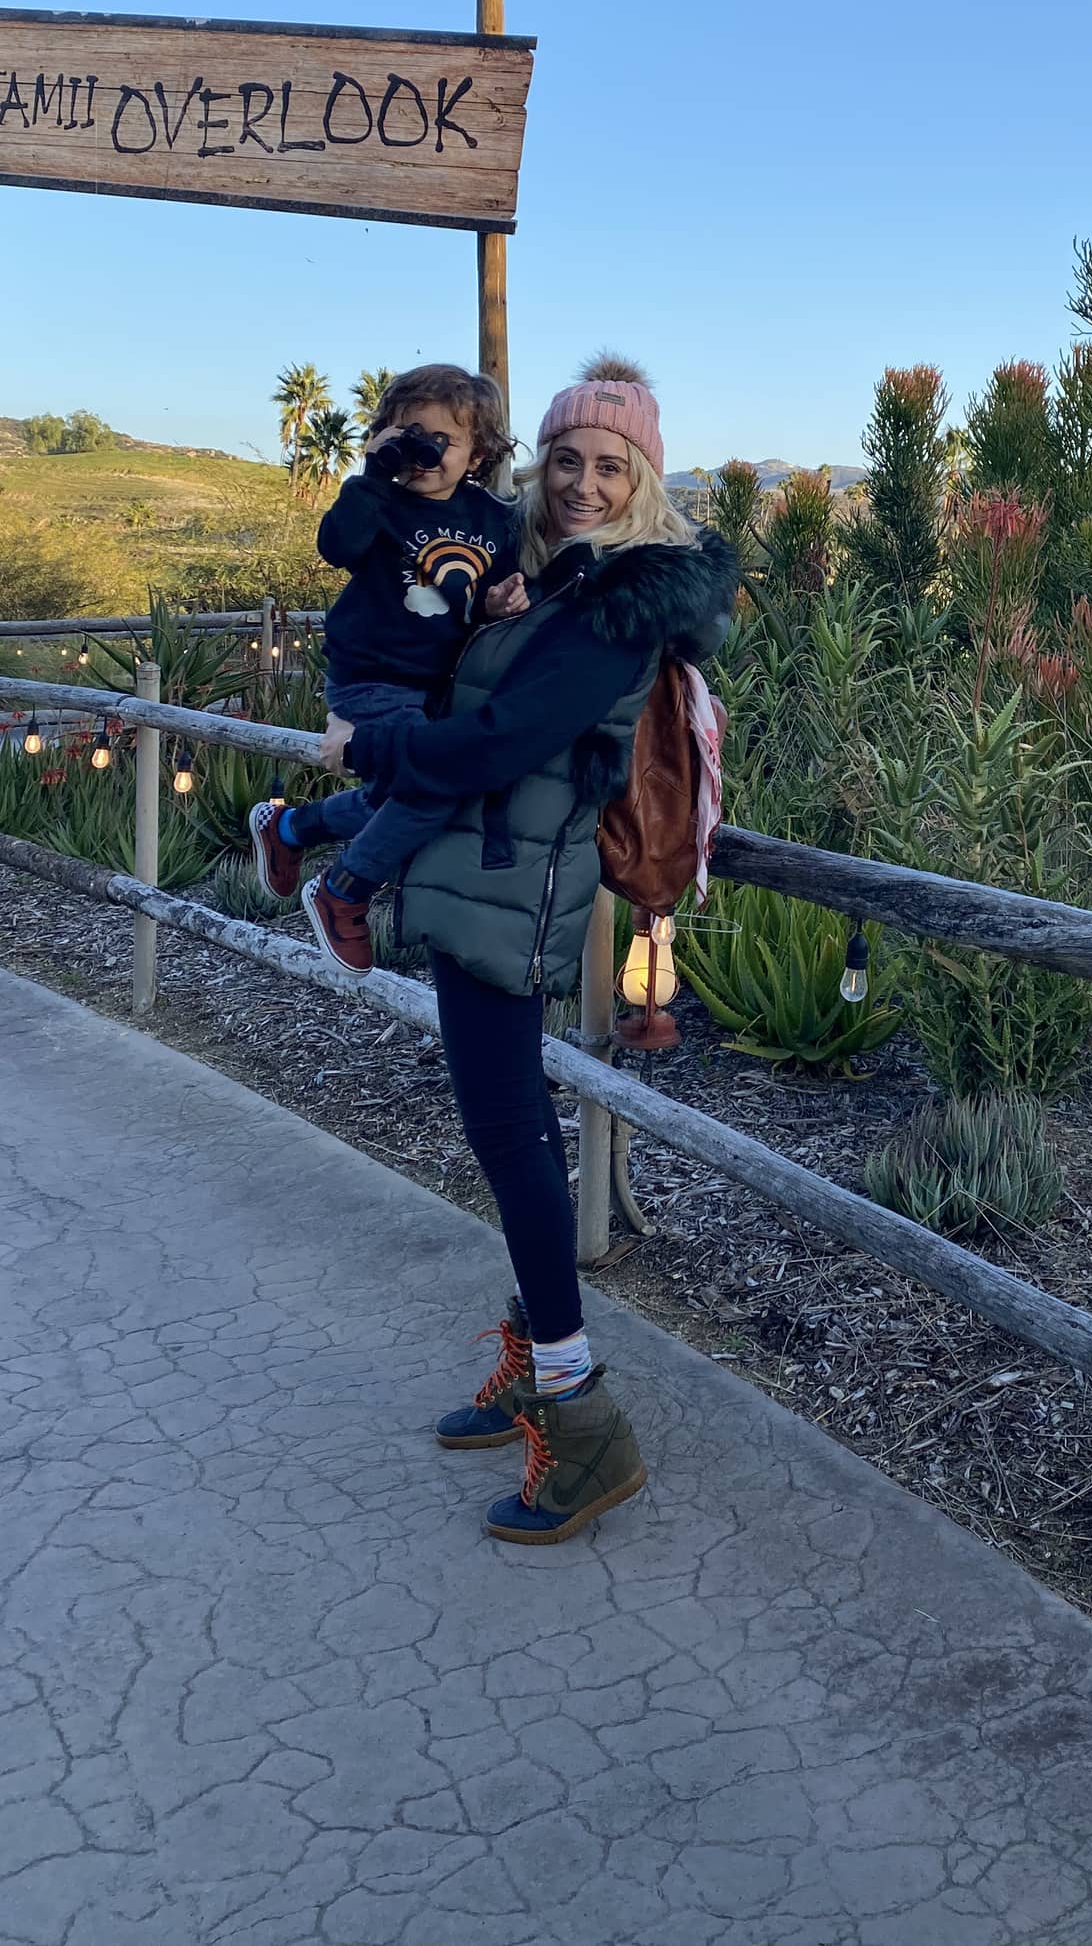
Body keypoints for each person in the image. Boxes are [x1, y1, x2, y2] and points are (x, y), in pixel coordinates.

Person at [317, 357, 738, 1544]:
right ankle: (532, 1361)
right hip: (476, 872)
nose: (585, 482)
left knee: (510, 1134)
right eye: (566, 460)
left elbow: (502, 737)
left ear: (644, 478)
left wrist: (370, 759)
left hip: (514, 884)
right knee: (504, 1135)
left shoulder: (622, 602)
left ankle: (580, 1414)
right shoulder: (542, 576)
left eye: (611, 465)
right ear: (538, 465)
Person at [248, 362, 523, 975]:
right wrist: (372, 474)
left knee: (392, 796)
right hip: (372, 675)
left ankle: (291, 829)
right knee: (432, 786)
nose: (425, 453)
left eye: (443, 441)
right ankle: (345, 888)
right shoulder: (376, 501)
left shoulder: (493, 518)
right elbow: (336, 548)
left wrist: (498, 603)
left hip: (437, 685)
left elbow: (475, 596)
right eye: (410, 435)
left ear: (477, 452)